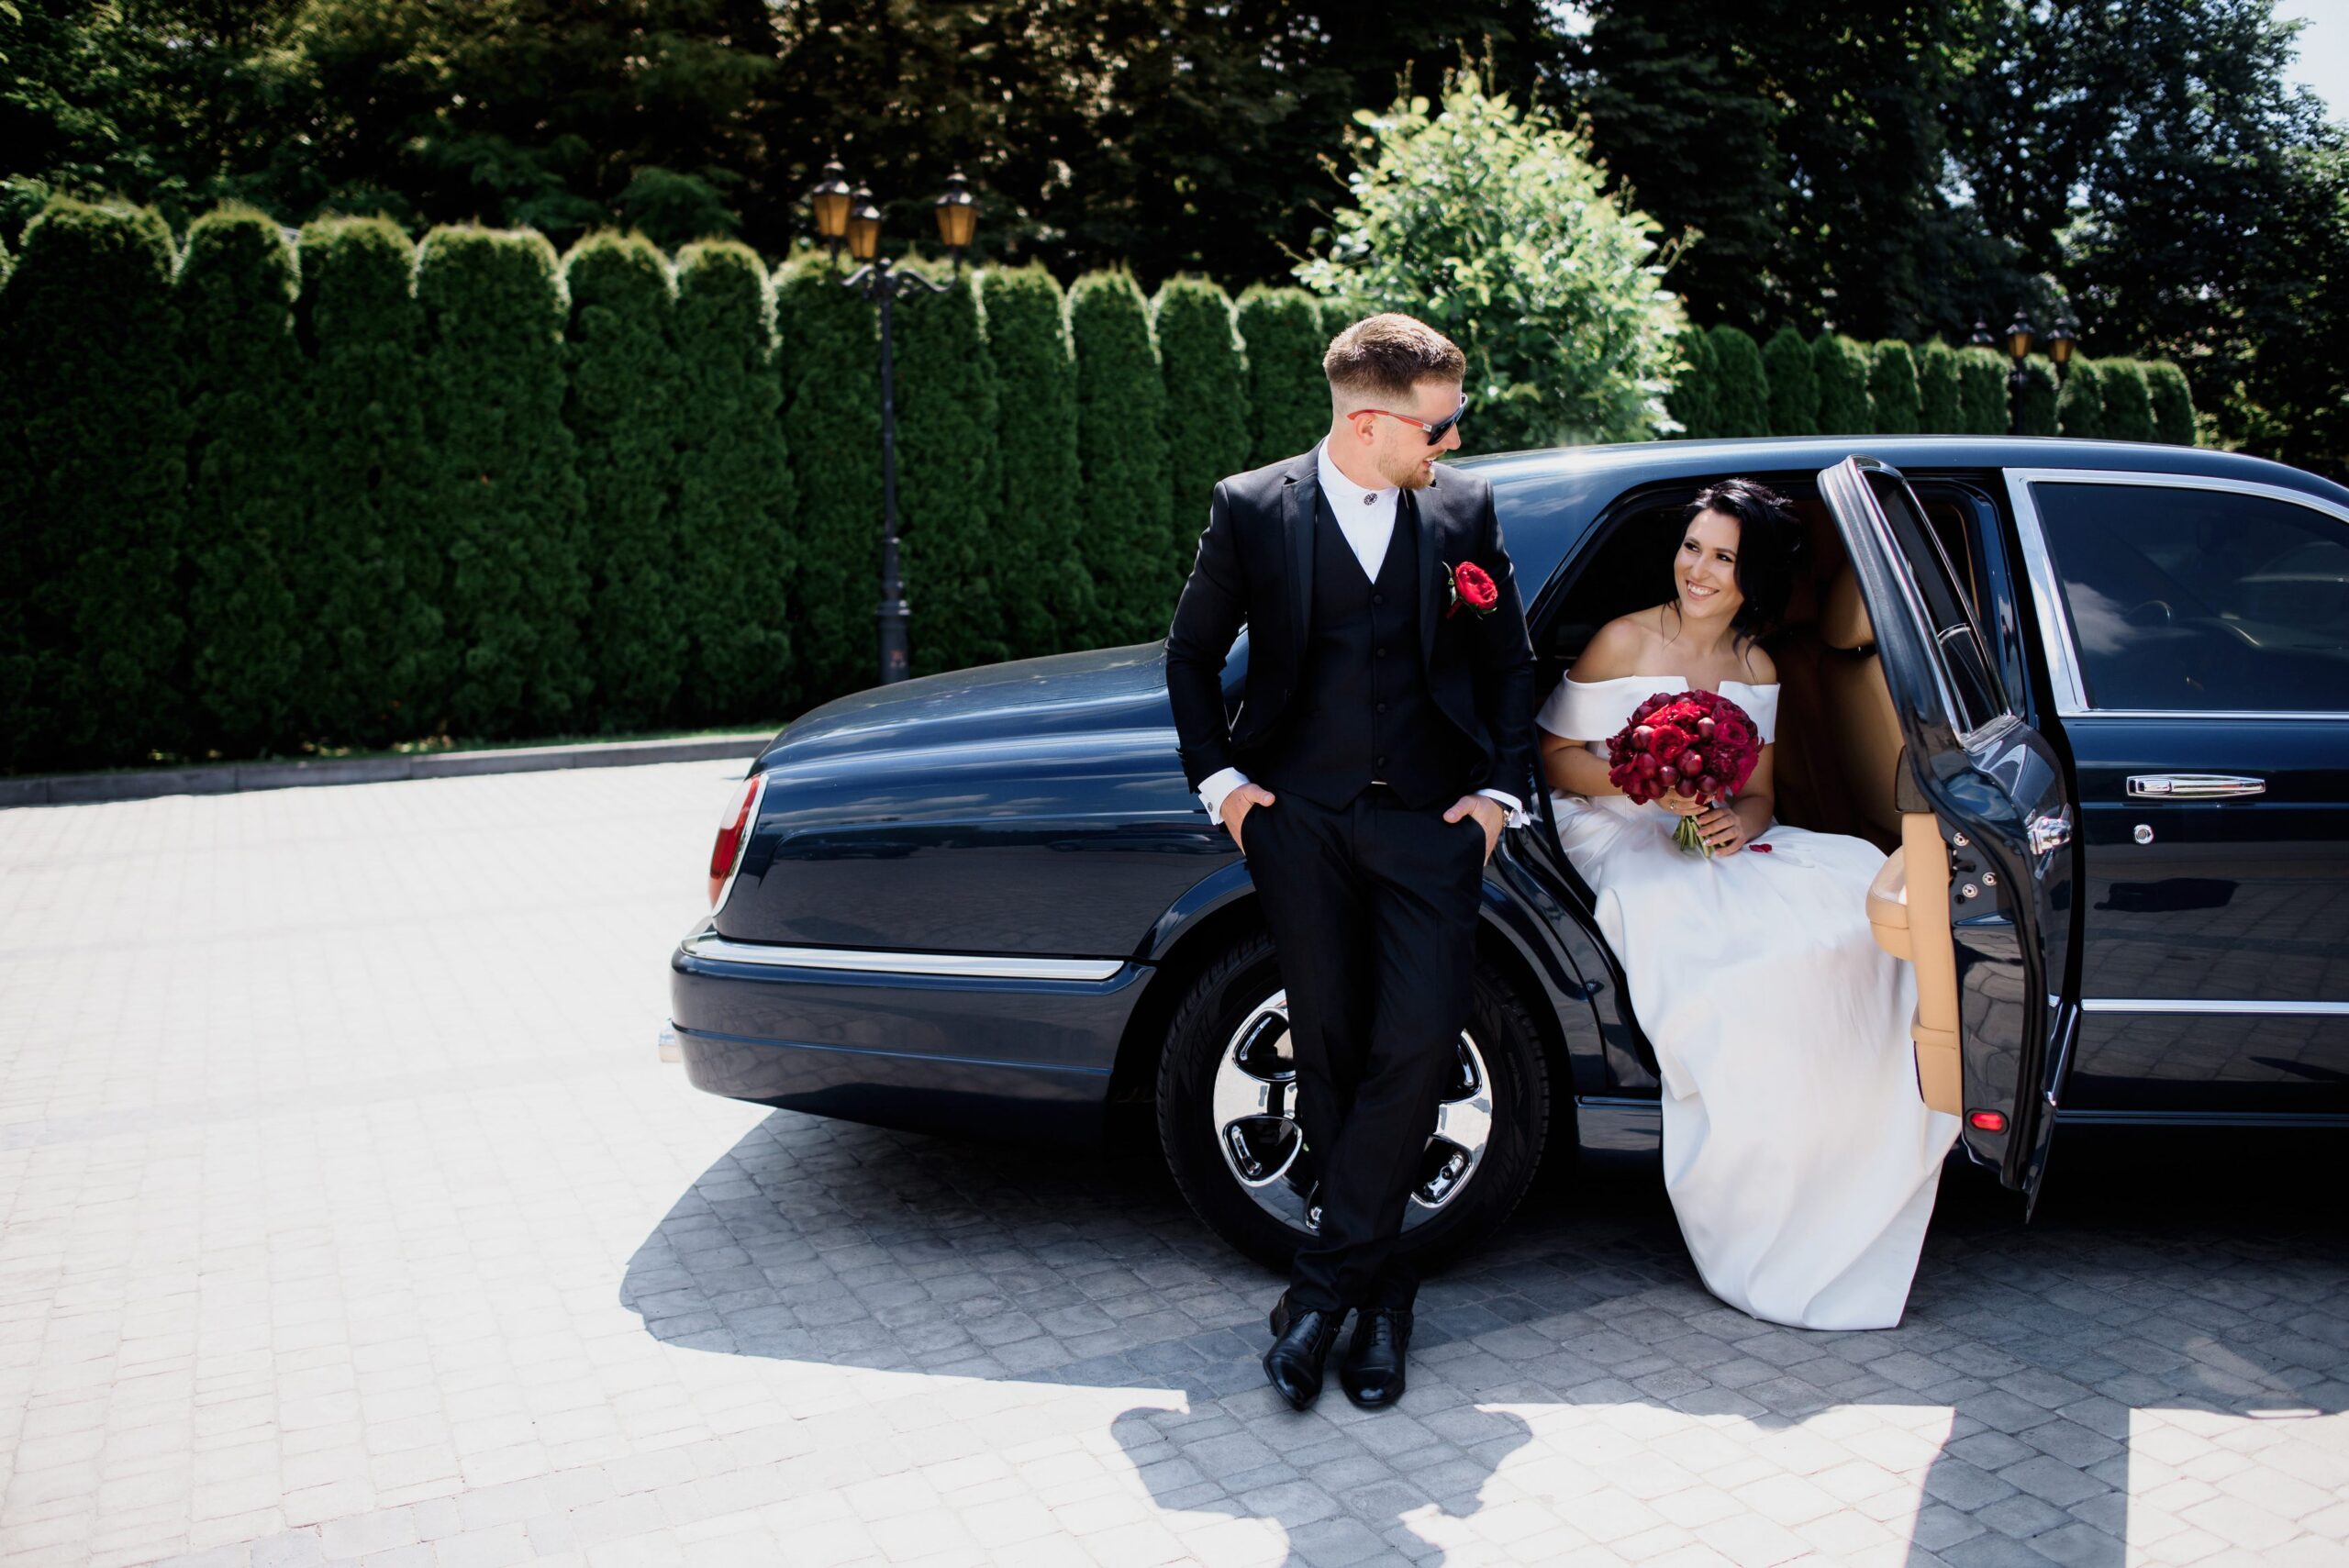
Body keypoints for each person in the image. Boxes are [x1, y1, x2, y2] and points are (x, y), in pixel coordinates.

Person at [1164, 314, 1537, 1408]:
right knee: (1326, 1042)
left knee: (1416, 1040)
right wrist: (1224, 787)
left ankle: (1324, 1288)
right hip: (1301, 820)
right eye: (1441, 423)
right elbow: (1191, 656)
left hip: (1430, 822)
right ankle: (1381, 1303)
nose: (1454, 443)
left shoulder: (1460, 509)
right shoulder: (1251, 507)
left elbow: (1506, 657)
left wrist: (1497, 794)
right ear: (1370, 421)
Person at [1535, 478, 1959, 1330]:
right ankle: (1748, 1179)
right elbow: (1551, 758)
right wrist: (1643, 782)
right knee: (1727, 955)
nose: (1698, 568)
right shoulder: (1623, 639)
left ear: (1752, 573)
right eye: (1693, 546)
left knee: (1848, 898)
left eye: (1722, 557)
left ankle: (1839, 1155)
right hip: (1612, 827)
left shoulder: (1756, 665)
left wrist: (1733, 824)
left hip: (1703, 832)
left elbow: (1761, 796)